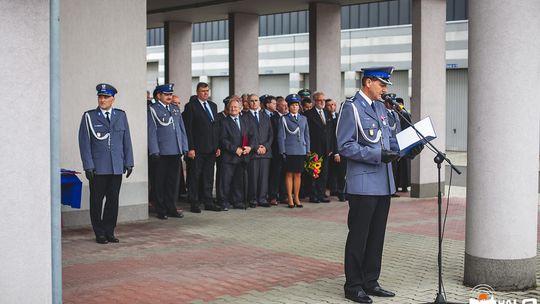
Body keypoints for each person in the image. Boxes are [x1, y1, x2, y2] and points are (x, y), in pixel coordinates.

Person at [336, 67, 423, 303]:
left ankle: (370, 281)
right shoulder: (351, 107)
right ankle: (353, 285)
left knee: (376, 236)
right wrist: (377, 154)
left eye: (386, 85)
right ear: (367, 82)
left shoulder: (381, 109)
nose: (385, 90)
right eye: (382, 84)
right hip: (363, 184)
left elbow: (390, 142)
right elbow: (345, 145)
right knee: (359, 237)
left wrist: (409, 148)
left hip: (384, 183)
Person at [78, 83, 134, 244]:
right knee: (96, 202)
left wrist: (129, 162)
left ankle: (109, 231)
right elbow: (84, 143)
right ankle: (99, 232)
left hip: (116, 166)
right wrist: (88, 166)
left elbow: (126, 140)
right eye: (100, 97)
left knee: (113, 200)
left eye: (106, 97)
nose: (102, 100)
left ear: (113, 99)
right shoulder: (89, 116)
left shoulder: (120, 115)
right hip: (98, 167)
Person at [147, 83, 188, 220]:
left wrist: (184, 147)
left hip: (175, 151)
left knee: (173, 182)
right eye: (166, 94)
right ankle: (161, 209)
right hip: (161, 152)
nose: (169, 97)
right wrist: (154, 151)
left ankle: (171, 207)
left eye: (170, 94)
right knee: (160, 182)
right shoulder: (153, 110)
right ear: (159, 95)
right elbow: (151, 132)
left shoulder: (175, 109)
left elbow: (182, 130)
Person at [182, 82, 222, 213]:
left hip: (211, 148)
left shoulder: (213, 106)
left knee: (208, 176)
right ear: (197, 92)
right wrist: (190, 148)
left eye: (207, 90)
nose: (205, 93)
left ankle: (208, 201)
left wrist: (217, 146)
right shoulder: (191, 106)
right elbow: (188, 129)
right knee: (195, 176)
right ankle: (194, 202)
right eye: (203, 91)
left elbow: (215, 127)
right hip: (197, 149)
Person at [219, 99, 258, 210]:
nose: (233, 109)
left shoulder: (245, 120)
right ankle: (224, 202)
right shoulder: (224, 122)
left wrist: (250, 147)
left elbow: (252, 135)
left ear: (240, 108)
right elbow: (223, 140)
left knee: (239, 181)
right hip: (229, 157)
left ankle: (238, 201)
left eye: (235, 107)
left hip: (243, 157)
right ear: (227, 108)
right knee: (225, 182)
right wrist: (234, 149)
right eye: (231, 107)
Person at [277, 94, 310, 208]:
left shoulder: (303, 118)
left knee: (298, 175)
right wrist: (282, 151)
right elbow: (280, 136)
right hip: (289, 150)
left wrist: (308, 150)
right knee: (289, 174)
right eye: (292, 105)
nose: (295, 107)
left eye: (296, 105)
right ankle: (290, 197)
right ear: (289, 107)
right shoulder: (284, 119)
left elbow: (307, 135)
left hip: (301, 149)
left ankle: (296, 197)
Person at [304, 92, 333, 203]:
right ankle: (313, 195)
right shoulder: (308, 114)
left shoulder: (327, 113)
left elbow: (331, 132)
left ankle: (321, 194)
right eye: (319, 100)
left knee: (324, 173)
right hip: (314, 149)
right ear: (314, 101)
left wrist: (331, 148)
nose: (322, 102)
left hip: (326, 149)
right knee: (314, 173)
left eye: (323, 100)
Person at [245, 94, 273, 208]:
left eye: (256, 100)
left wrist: (265, 147)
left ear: (259, 102)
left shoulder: (265, 116)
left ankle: (262, 198)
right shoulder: (244, 117)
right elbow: (245, 135)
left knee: (264, 177)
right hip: (253, 152)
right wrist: (256, 147)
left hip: (265, 152)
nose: (254, 103)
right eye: (251, 101)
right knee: (253, 177)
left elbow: (271, 134)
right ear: (247, 103)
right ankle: (253, 199)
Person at [268, 95, 289, 205]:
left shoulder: (289, 117)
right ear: (278, 107)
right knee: (275, 174)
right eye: (283, 106)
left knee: (285, 174)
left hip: (288, 150)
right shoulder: (273, 118)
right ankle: (273, 196)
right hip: (276, 151)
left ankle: (284, 195)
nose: (286, 107)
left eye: (286, 105)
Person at [325, 98, 346, 202]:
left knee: (341, 173)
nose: (332, 107)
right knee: (331, 172)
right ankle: (333, 190)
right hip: (331, 150)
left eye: (334, 105)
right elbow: (332, 136)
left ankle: (340, 191)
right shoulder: (325, 117)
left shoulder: (340, 117)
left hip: (342, 149)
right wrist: (335, 152)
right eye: (329, 105)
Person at [384, 96, 402, 198]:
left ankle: (393, 189)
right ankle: (387, 190)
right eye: (391, 102)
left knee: (394, 168)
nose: (393, 105)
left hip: (396, 145)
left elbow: (398, 129)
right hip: (388, 146)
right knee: (388, 169)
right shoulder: (384, 113)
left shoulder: (395, 113)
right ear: (386, 103)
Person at [394, 97, 412, 192]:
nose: (399, 106)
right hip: (396, 144)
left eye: (400, 104)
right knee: (396, 167)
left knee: (405, 167)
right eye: (397, 104)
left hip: (405, 143)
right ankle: (396, 186)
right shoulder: (393, 115)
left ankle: (405, 186)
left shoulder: (406, 115)